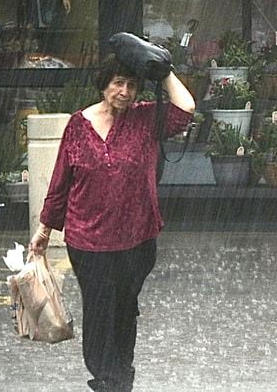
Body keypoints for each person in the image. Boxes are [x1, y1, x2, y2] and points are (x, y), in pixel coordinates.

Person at [29, 53, 195, 391]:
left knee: (124, 309)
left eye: (132, 85)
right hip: (88, 241)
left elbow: (185, 110)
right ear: (104, 84)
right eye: (118, 83)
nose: (124, 91)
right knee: (100, 309)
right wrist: (44, 230)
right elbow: (60, 182)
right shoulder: (79, 125)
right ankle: (106, 379)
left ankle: (121, 374)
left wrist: (163, 71)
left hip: (137, 240)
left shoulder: (146, 119)